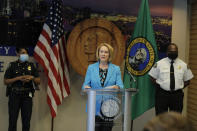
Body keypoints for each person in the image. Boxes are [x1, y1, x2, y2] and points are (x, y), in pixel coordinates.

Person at [82, 43, 124, 131]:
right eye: (101, 52)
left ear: (109, 54)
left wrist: (115, 87)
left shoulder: (116, 69)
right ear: (98, 53)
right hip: (94, 106)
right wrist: (86, 88)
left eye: (106, 52)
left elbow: (121, 86)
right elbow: (85, 86)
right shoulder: (91, 68)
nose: (103, 54)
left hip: (109, 107)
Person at [148, 43, 194, 115]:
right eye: (171, 51)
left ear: (177, 52)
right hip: (162, 95)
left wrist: (178, 87)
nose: (173, 53)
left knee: (176, 119)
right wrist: (161, 86)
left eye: (175, 51)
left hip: (177, 96)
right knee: (161, 118)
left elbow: (187, 81)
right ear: (167, 52)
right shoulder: (159, 64)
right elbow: (152, 77)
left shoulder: (183, 65)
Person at [4, 47, 40, 131]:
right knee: (12, 121)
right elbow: (5, 81)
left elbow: (38, 81)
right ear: (17, 54)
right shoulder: (12, 65)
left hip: (27, 97)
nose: (25, 55)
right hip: (14, 96)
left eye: (26, 53)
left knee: (26, 122)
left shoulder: (31, 65)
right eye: (23, 53)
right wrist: (18, 78)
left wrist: (32, 78)